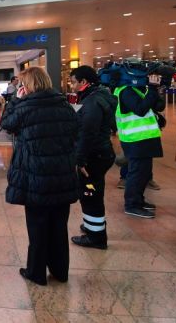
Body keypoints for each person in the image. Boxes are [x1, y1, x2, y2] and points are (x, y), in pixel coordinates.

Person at [2, 67, 79, 286]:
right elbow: (75, 134)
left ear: (27, 86)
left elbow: (7, 125)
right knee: (58, 226)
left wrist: (15, 101)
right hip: (62, 175)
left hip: (36, 176)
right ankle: (60, 271)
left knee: (37, 226)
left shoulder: (25, 106)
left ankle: (36, 272)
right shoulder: (64, 105)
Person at [69, 66, 117, 250]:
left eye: (73, 82)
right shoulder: (99, 97)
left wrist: (80, 160)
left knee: (90, 194)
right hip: (101, 153)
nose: (71, 85)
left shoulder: (92, 103)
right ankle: (92, 226)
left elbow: (87, 134)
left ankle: (96, 237)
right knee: (93, 192)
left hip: (93, 157)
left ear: (84, 82)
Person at [114, 74, 165, 219]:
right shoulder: (125, 91)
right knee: (136, 173)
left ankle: (138, 200)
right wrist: (153, 90)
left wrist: (155, 90)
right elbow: (140, 109)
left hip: (144, 138)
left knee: (144, 173)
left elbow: (158, 106)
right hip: (135, 139)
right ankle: (132, 205)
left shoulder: (138, 90)